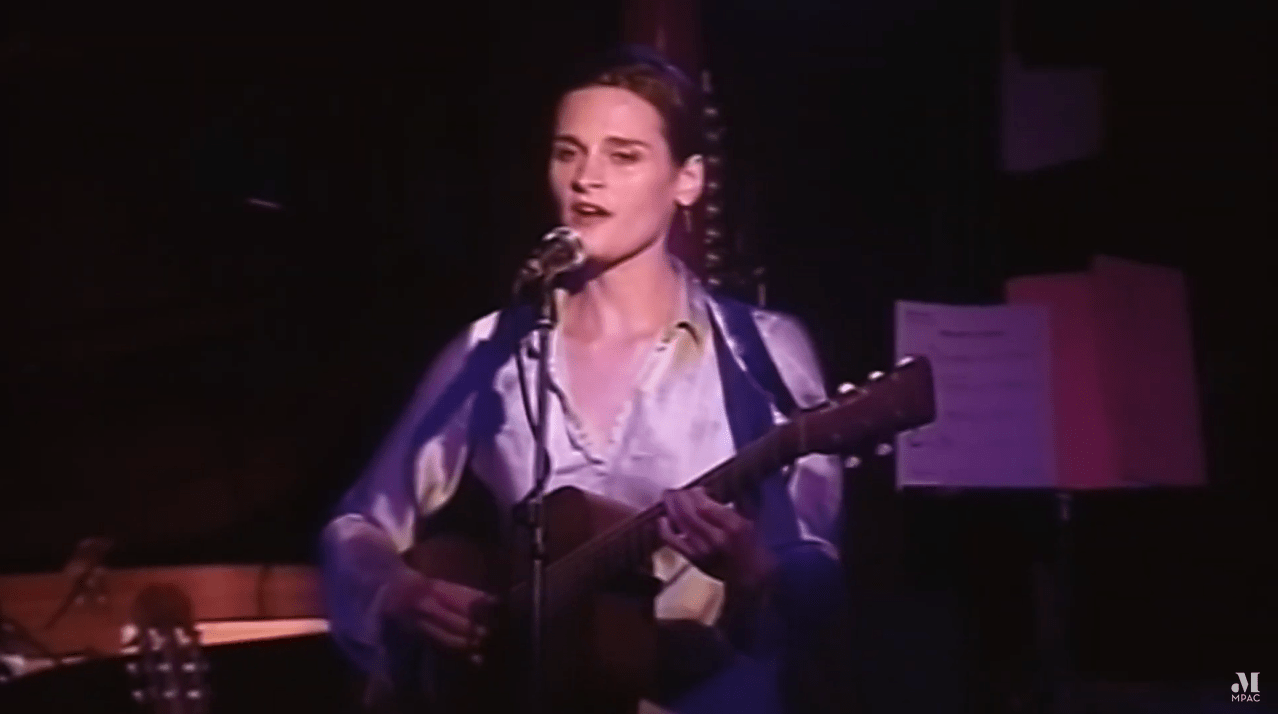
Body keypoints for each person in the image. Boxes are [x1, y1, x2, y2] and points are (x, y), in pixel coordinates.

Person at [320, 45, 848, 714]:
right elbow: (359, 522)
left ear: (687, 180)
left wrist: (751, 572)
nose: (585, 179)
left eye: (623, 156)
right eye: (569, 152)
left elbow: (816, 569)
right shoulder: (496, 348)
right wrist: (398, 591)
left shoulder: (760, 350)